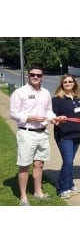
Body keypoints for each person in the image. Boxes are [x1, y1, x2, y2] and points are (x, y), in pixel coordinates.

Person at [9, 65, 60, 205]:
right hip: (27, 133)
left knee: (39, 164)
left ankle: (38, 192)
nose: (35, 77)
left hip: (42, 133)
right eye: (33, 75)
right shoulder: (20, 92)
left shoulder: (46, 93)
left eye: (38, 75)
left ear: (42, 76)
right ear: (28, 75)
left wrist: (53, 118)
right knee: (24, 165)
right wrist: (29, 118)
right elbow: (13, 113)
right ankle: (23, 197)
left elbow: (48, 111)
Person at [52, 74, 80, 199]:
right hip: (64, 135)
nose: (68, 83)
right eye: (65, 82)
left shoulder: (78, 98)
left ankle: (70, 184)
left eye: (70, 81)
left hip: (77, 133)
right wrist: (58, 118)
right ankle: (62, 188)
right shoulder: (57, 100)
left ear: (74, 83)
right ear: (61, 84)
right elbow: (52, 116)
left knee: (70, 162)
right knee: (68, 161)